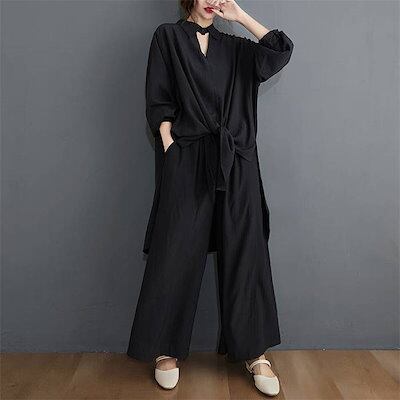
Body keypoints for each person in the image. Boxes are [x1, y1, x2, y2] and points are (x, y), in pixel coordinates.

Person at [127, 0, 294, 396]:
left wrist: (240, 17)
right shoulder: (168, 38)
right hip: (187, 156)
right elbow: (158, 98)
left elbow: (279, 50)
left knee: (246, 250)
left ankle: (255, 352)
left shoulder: (235, 48)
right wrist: (169, 144)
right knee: (175, 248)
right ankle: (165, 348)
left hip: (237, 160)